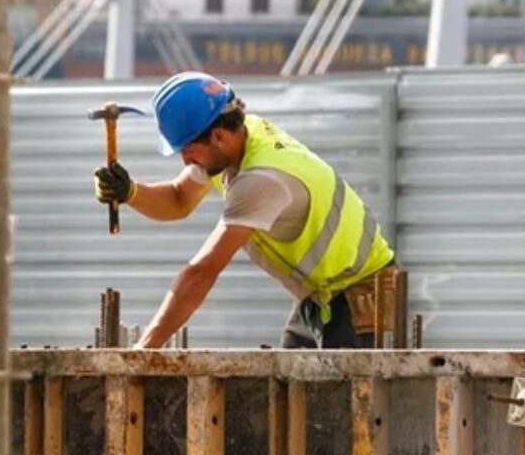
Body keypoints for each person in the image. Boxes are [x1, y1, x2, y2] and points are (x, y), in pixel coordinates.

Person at [93, 71, 396, 349]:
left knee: (342, 406)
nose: (185, 160)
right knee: (289, 394)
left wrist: (143, 351)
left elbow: (201, 272)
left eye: (187, 149)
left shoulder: (261, 178)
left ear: (218, 136)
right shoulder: (239, 137)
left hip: (364, 298)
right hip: (323, 295)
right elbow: (178, 199)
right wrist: (129, 191)